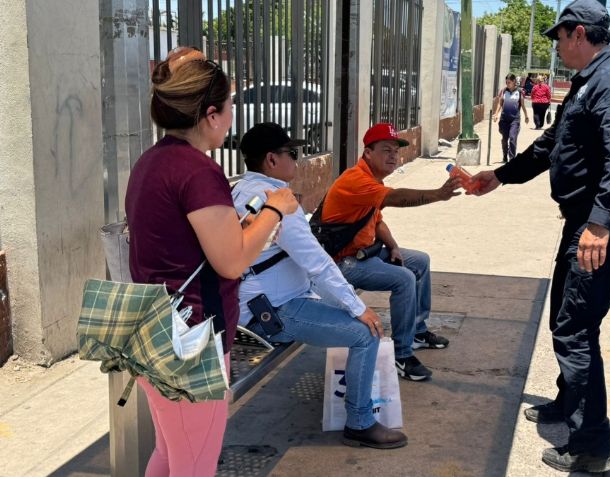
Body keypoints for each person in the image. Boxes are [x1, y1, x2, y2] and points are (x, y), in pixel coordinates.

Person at [470, 0, 610, 473]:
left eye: (559, 36)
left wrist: (599, 225)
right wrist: (501, 176)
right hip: (583, 224)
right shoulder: (589, 82)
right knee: (562, 318)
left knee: (575, 329)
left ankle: (592, 447)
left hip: (601, 231)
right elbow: (553, 144)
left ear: (578, 34)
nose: (556, 45)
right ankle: (569, 406)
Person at [125, 47, 300, 476]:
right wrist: (275, 209)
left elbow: (186, 245)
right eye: (230, 107)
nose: (233, 116)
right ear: (211, 114)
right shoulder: (197, 171)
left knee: (170, 456)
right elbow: (232, 261)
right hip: (193, 343)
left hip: (157, 331)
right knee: (194, 465)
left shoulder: (152, 162)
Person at [231, 122, 407, 449]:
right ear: (271, 159)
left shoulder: (242, 190)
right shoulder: (277, 201)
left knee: (350, 314)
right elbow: (317, 261)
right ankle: (360, 422)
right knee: (366, 332)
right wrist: (359, 308)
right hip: (271, 312)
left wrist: (343, 302)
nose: (297, 160)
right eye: (291, 153)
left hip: (261, 303)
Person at [318, 123, 461, 381]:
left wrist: (393, 246)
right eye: (386, 150)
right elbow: (396, 198)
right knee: (404, 279)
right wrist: (438, 195)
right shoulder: (357, 180)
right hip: (342, 262)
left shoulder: (372, 180)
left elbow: (377, 220)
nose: (393, 156)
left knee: (419, 261)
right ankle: (402, 355)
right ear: (368, 153)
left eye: (396, 150)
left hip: (365, 253)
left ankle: (416, 331)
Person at [492, 74, 529, 163]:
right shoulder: (504, 91)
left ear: (514, 82)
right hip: (504, 119)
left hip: (515, 120)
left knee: (512, 138)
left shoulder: (520, 92)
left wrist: (526, 116)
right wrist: (496, 114)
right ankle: (505, 155)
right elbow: (500, 103)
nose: (507, 84)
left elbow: (523, 105)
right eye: (506, 82)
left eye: (509, 82)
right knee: (505, 139)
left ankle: (512, 159)